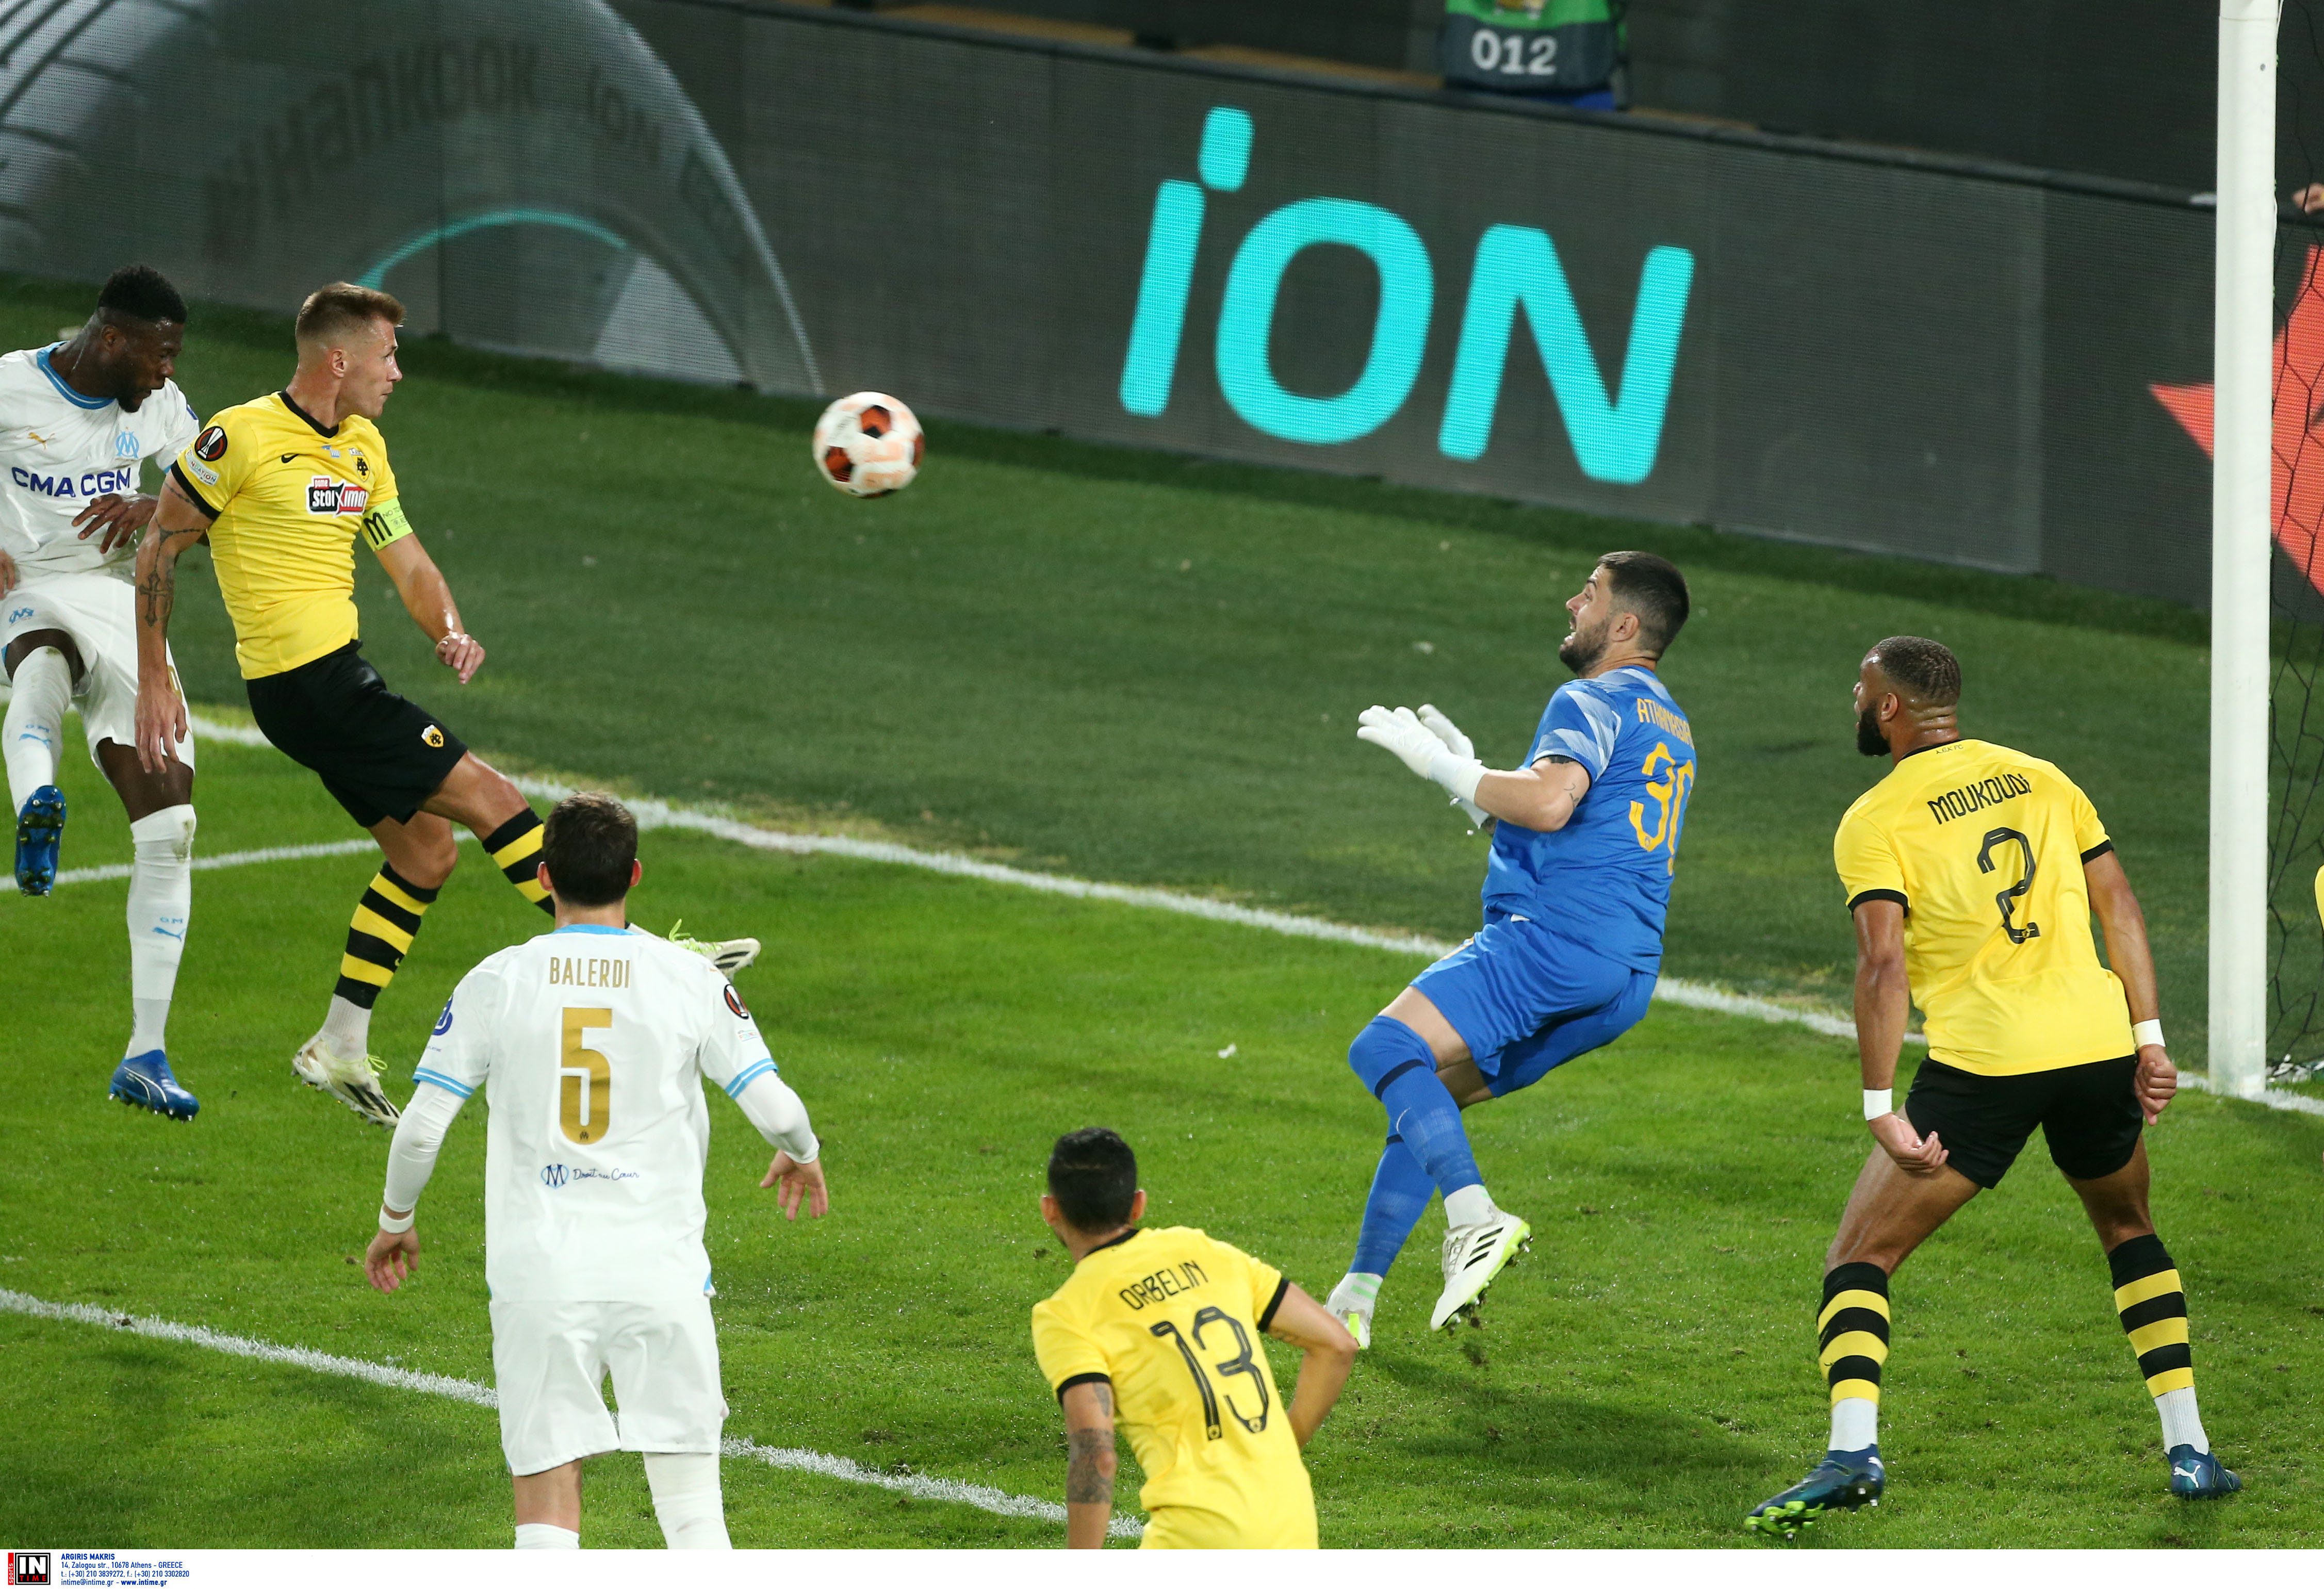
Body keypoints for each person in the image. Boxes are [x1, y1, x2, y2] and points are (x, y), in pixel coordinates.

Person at [130, 282, 753, 1126]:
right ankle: (655, 961)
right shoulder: (238, 437)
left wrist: (448, 630)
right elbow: (160, 547)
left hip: (331, 683)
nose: (397, 372)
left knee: (426, 856)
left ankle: (338, 1043)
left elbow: (410, 563)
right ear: (339, 360)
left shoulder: (363, 449)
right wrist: (156, 675)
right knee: (493, 798)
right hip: (306, 685)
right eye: (387, 356)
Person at [1743, 636, 2238, 1539]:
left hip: (1987, 1064)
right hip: (2095, 1047)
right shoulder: (2041, 777)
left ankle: (1851, 1456)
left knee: (1860, 1257)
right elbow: (2119, 905)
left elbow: (1882, 964)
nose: (1853, 698)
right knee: (2128, 1227)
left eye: (1860, 687)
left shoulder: (1875, 817)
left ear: (1889, 707)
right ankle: (2190, 1448)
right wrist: (2149, 1041)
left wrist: (1879, 1107)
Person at [362, 791, 827, 1550]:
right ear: (633, 875)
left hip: (540, 1276)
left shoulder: (497, 980)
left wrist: (396, 1222)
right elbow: (777, 1109)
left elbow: (420, 1129)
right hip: (661, 1274)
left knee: (546, 1519)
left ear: (544, 875)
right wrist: (802, 1153)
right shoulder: (688, 977)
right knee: (694, 1517)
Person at [1329, 551, 1695, 1339]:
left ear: (1624, 625)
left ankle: (1476, 1217)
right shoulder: (1669, 723)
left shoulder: (1589, 697)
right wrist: (1465, 784)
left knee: (1383, 1046)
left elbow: (1550, 804)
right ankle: (1357, 1295)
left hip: (1555, 942)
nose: (1571, 603)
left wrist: (1441, 764)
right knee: (1427, 1098)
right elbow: (1576, 832)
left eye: (1589, 594)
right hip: (1622, 977)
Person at [1, 265, 204, 1118]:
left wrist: (159, 506)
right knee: (43, 664)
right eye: (159, 355)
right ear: (112, 340)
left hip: (120, 599)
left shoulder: (159, 408)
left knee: (173, 824)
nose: (167, 372)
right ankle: (36, 804)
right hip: (25, 587)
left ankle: (145, 1055)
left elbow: (218, 499)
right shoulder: (11, 387)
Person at [1029, 1127, 1356, 1549]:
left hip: (1197, 1535)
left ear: (1050, 1210)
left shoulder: (1066, 1312)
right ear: (1138, 1204)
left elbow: (1097, 1456)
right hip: (1292, 1520)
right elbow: (1336, 1344)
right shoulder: (1204, 1250)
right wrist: (1284, 1448)